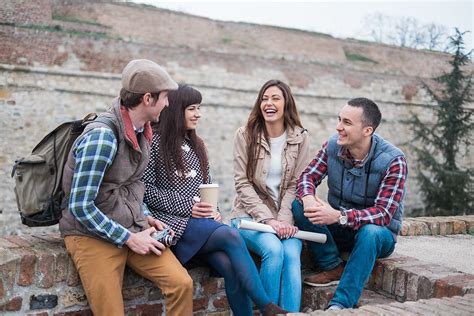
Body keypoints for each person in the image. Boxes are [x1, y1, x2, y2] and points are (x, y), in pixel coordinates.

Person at [59, 59, 193, 316]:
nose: (168, 104)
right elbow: (80, 206)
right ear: (147, 98)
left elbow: (130, 182)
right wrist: (128, 238)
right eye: (165, 97)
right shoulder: (102, 137)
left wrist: (144, 216)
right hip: (90, 233)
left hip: (129, 225)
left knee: (181, 284)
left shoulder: (143, 131)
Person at [142, 84, 288, 316]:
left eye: (199, 107)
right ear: (176, 109)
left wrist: (216, 211)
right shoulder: (154, 143)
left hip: (201, 226)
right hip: (172, 225)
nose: (197, 113)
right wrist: (189, 207)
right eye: (191, 108)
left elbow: (207, 186)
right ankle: (266, 306)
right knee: (231, 234)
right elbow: (146, 190)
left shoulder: (198, 145)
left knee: (230, 269)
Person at [292, 97, 408, 310]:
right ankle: (332, 265)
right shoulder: (332, 146)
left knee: (371, 232)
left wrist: (339, 216)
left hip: (376, 236)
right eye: (339, 120)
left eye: (347, 122)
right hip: (340, 229)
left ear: (367, 130)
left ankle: (340, 305)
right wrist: (308, 197)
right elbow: (307, 177)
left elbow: (384, 214)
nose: (339, 127)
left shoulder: (393, 160)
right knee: (298, 204)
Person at [230, 79, 310, 312]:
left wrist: (283, 220)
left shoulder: (300, 137)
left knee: (292, 256)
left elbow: (297, 184)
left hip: (285, 220)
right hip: (249, 216)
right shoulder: (245, 135)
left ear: (286, 104)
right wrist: (269, 220)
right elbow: (242, 183)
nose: (269, 103)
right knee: (273, 251)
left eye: (275, 98)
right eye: (264, 98)